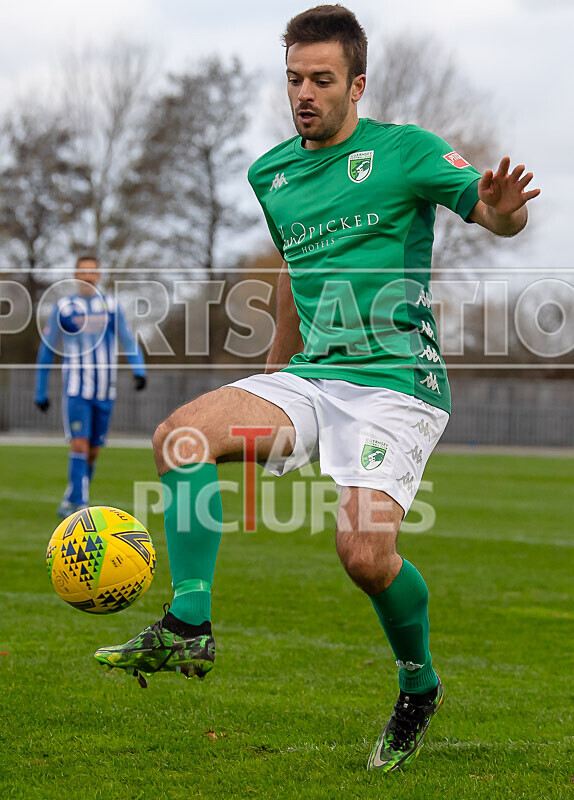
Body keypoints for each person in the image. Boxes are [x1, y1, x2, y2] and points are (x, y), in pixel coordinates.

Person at [93, 5, 540, 773]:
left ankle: (418, 685)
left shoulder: (406, 152)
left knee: (364, 555)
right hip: (312, 375)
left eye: (322, 79)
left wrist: (501, 214)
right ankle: (188, 623)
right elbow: (299, 280)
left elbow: (496, 215)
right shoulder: (271, 174)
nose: (304, 92)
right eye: (295, 77)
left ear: (356, 84)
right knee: (181, 438)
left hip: (398, 384)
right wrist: (273, 372)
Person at [35, 256, 147, 517]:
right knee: (79, 445)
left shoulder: (110, 306)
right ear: (75, 275)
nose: (87, 277)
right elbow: (47, 348)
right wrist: (40, 390)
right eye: (82, 272)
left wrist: (139, 370)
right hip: (76, 390)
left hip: (105, 390)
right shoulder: (64, 307)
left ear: (98, 276)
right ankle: (81, 506)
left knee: (93, 451)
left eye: (92, 272)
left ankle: (70, 498)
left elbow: (128, 340)